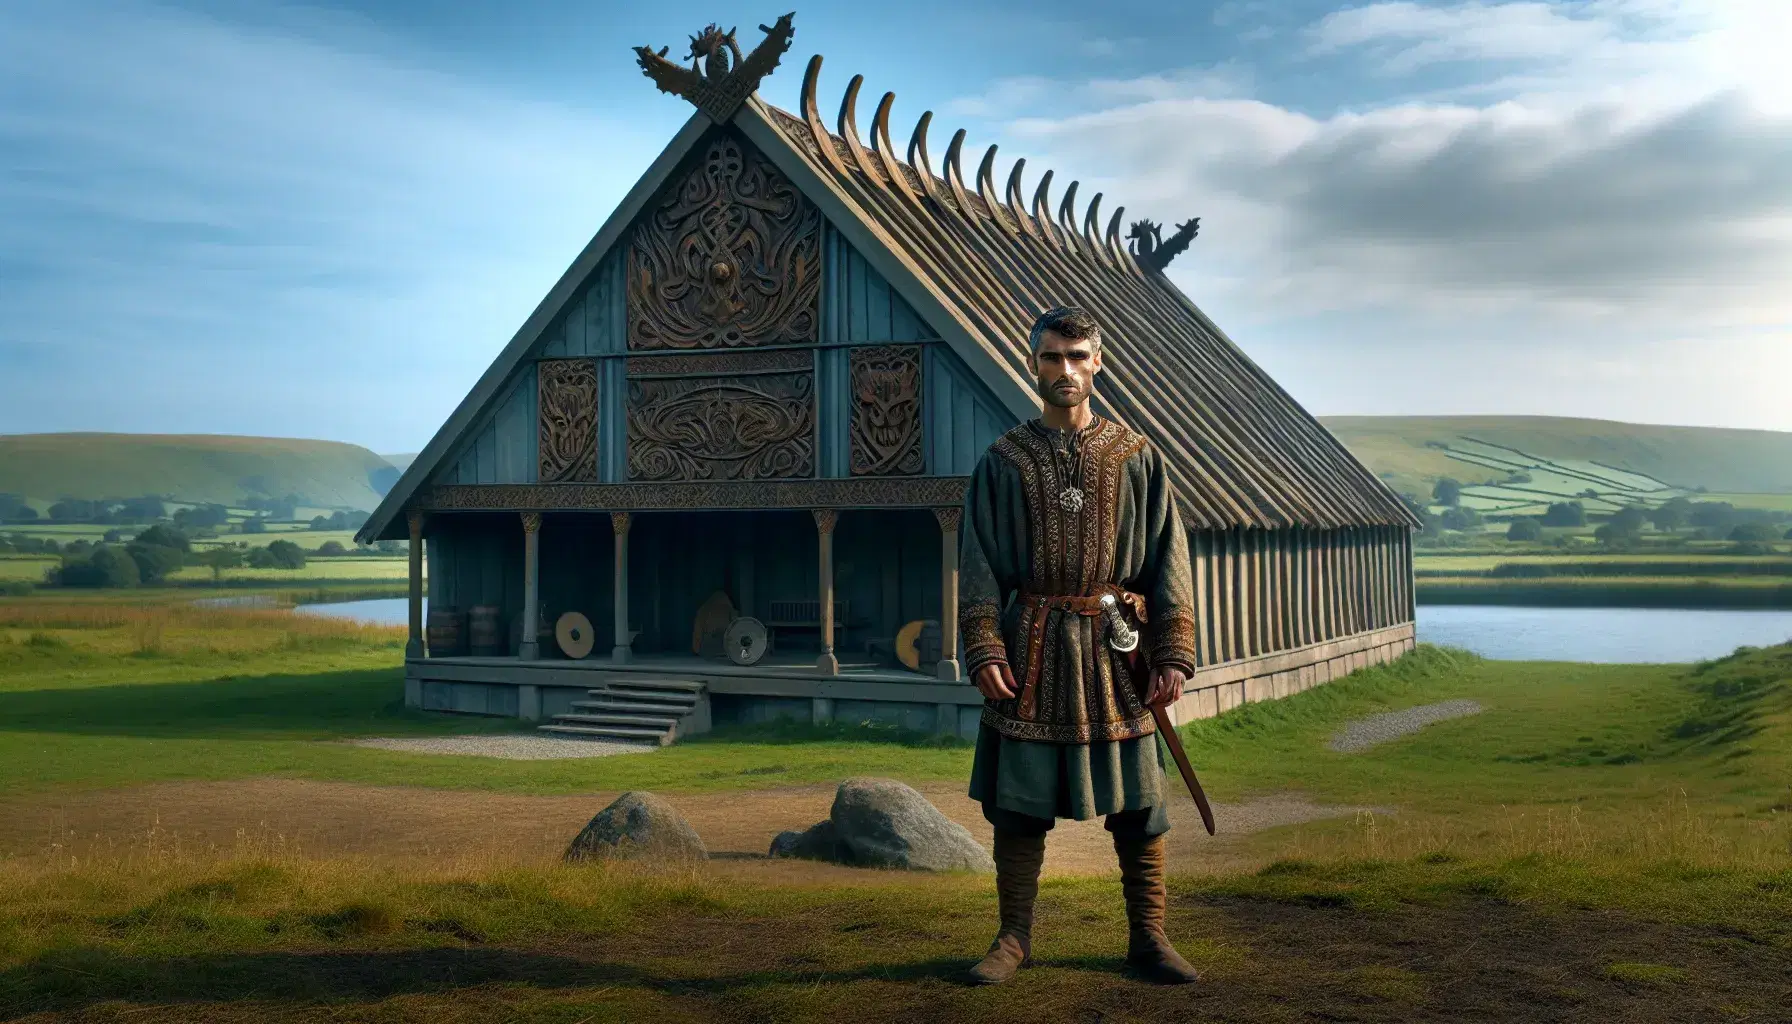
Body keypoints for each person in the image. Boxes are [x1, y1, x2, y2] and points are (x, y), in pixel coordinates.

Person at [958, 305, 1200, 986]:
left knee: (1141, 805)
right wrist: (984, 646)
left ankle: (1148, 938)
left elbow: (1167, 560)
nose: (1064, 369)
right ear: (1032, 363)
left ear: (1099, 362)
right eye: (1051, 357)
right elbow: (977, 562)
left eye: (1076, 356)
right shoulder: (1003, 462)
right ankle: (1012, 940)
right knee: (1017, 802)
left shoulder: (1137, 458)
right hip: (1031, 649)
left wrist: (1172, 653)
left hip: (1118, 651)